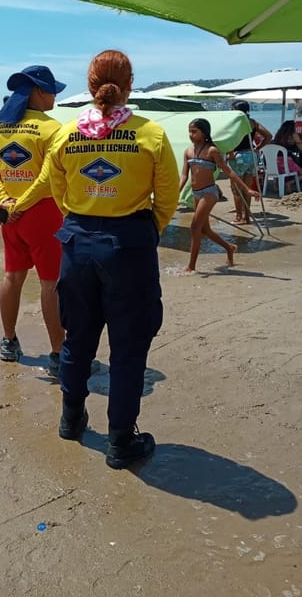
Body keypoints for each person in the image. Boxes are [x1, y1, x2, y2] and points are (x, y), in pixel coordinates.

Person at [42, 50, 179, 467]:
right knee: (128, 345)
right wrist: (145, 231)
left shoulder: (66, 134)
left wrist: (82, 216)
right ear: (130, 85)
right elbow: (168, 197)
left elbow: (58, 190)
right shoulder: (150, 134)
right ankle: (121, 439)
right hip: (129, 244)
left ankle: (71, 419)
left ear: (90, 86)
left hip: (78, 243)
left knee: (77, 336)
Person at [0, 65, 66, 376]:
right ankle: (58, 354)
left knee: (12, 277)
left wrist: (5, 201)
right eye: (53, 91)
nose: (55, 97)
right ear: (39, 92)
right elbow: (48, 178)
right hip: (43, 214)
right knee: (51, 283)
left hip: (9, 217)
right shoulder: (52, 129)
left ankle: (8, 341)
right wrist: (23, 204)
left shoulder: (0, 129)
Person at [179, 119, 259, 272]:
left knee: (195, 226)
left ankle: (191, 266)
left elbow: (228, 171)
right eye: (189, 131)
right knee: (204, 230)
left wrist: (247, 189)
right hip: (196, 194)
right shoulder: (188, 151)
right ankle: (229, 247)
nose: (191, 135)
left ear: (204, 133)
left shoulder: (212, 151)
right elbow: (184, 176)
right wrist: (176, 192)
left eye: (194, 132)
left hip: (209, 192)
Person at [228, 100, 271, 224]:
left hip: (238, 156)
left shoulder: (235, 123)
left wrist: (230, 152)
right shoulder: (252, 122)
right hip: (251, 155)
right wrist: (258, 148)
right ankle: (247, 217)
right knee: (246, 189)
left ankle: (239, 217)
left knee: (236, 189)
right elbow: (268, 136)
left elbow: (229, 138)